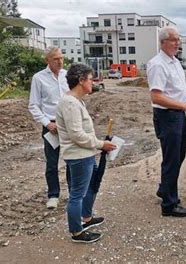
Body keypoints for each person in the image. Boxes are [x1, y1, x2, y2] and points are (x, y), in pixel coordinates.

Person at [56, 63, 116, 243]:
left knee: (90, 187)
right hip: (78, 156)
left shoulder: (76, 101)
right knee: (77, 194)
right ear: (81, 81)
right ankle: (77, 232)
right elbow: (77, 135)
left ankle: (86, 218)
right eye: (90, 79)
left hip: (85, 154)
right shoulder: (70, 103)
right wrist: (101, 144)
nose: (93, 82)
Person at [146, 26, 186, 217]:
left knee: (179, 155)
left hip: (177, 114)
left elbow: (175, 91)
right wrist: (185, 106)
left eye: (179, 39)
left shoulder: (174, 61)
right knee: (171, 159)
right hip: (167, 116)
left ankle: (164, 188)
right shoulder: (158, 64)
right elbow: (157, 97)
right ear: (163, 43)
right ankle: (169, 205)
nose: (178, 43)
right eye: (174, 40)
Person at [28, 47, 70, 209]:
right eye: (55, 59)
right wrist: (47, 123)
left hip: (67, 124)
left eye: (61, 58)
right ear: (48, 61)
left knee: (71, 160)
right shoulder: (38, 78)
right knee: (52, 163)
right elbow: (34, 105)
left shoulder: (67, 75)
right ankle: (53, 195)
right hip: (51, 125)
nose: (60, 61)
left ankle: (73, 193)